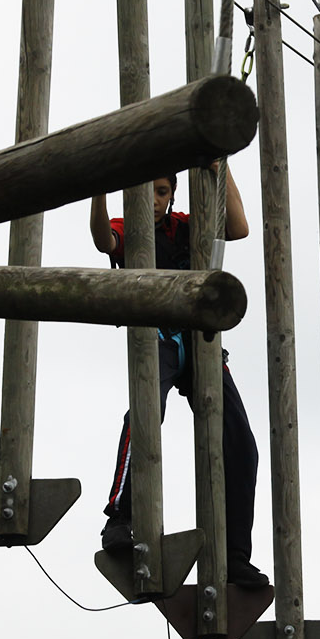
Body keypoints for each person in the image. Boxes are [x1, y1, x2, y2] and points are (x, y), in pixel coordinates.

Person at [91, 165, 271, 601]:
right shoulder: (130, 230)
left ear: (171, 195)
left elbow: (238, 227)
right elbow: (103, 240)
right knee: (147, 413)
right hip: (158, 337)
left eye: (161, 192)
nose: (154, 199)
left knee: (241, 443)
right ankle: (121, 516)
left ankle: (234, 554)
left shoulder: (185, 227)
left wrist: (220, 167)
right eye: (147, 191)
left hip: (201, 342)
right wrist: (98, 190)